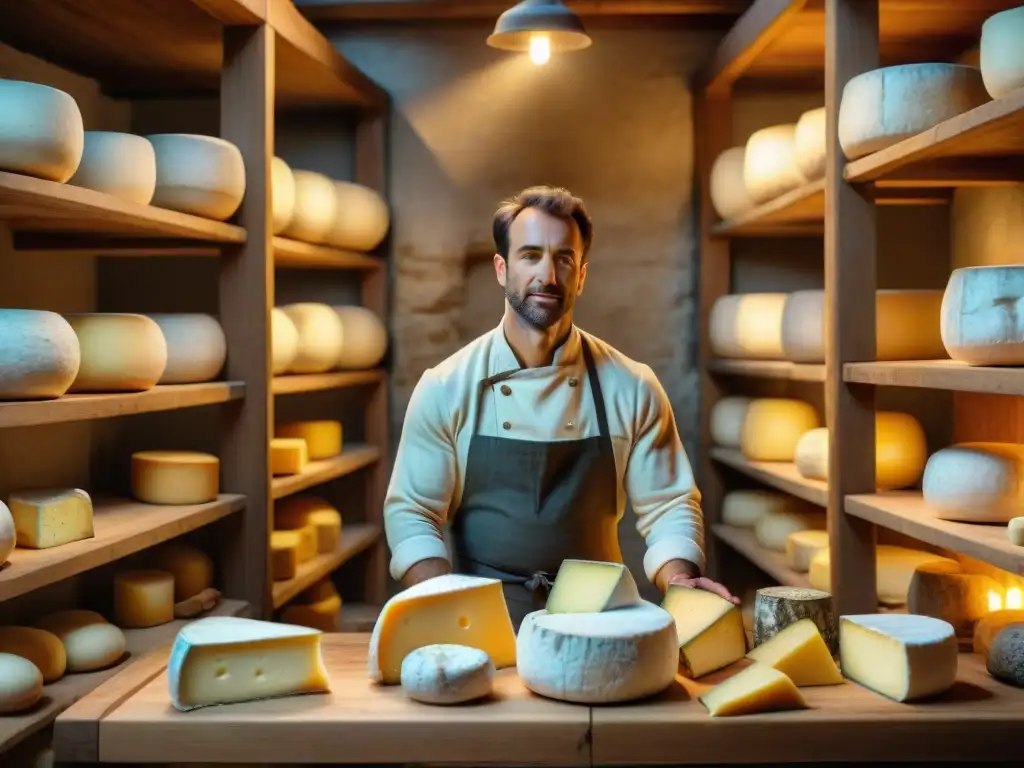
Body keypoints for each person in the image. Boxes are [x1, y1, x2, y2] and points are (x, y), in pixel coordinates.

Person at [383, 184, 736, 628]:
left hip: (600, 624)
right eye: (530, 255)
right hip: (485, 627)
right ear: (501, 268)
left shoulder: (631, 385)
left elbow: (668, 505)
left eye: (563, 259)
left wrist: (681, 580)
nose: (547, 276)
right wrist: (438, 603)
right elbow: (414, 511)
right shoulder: (445, 387)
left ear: (581, 275)